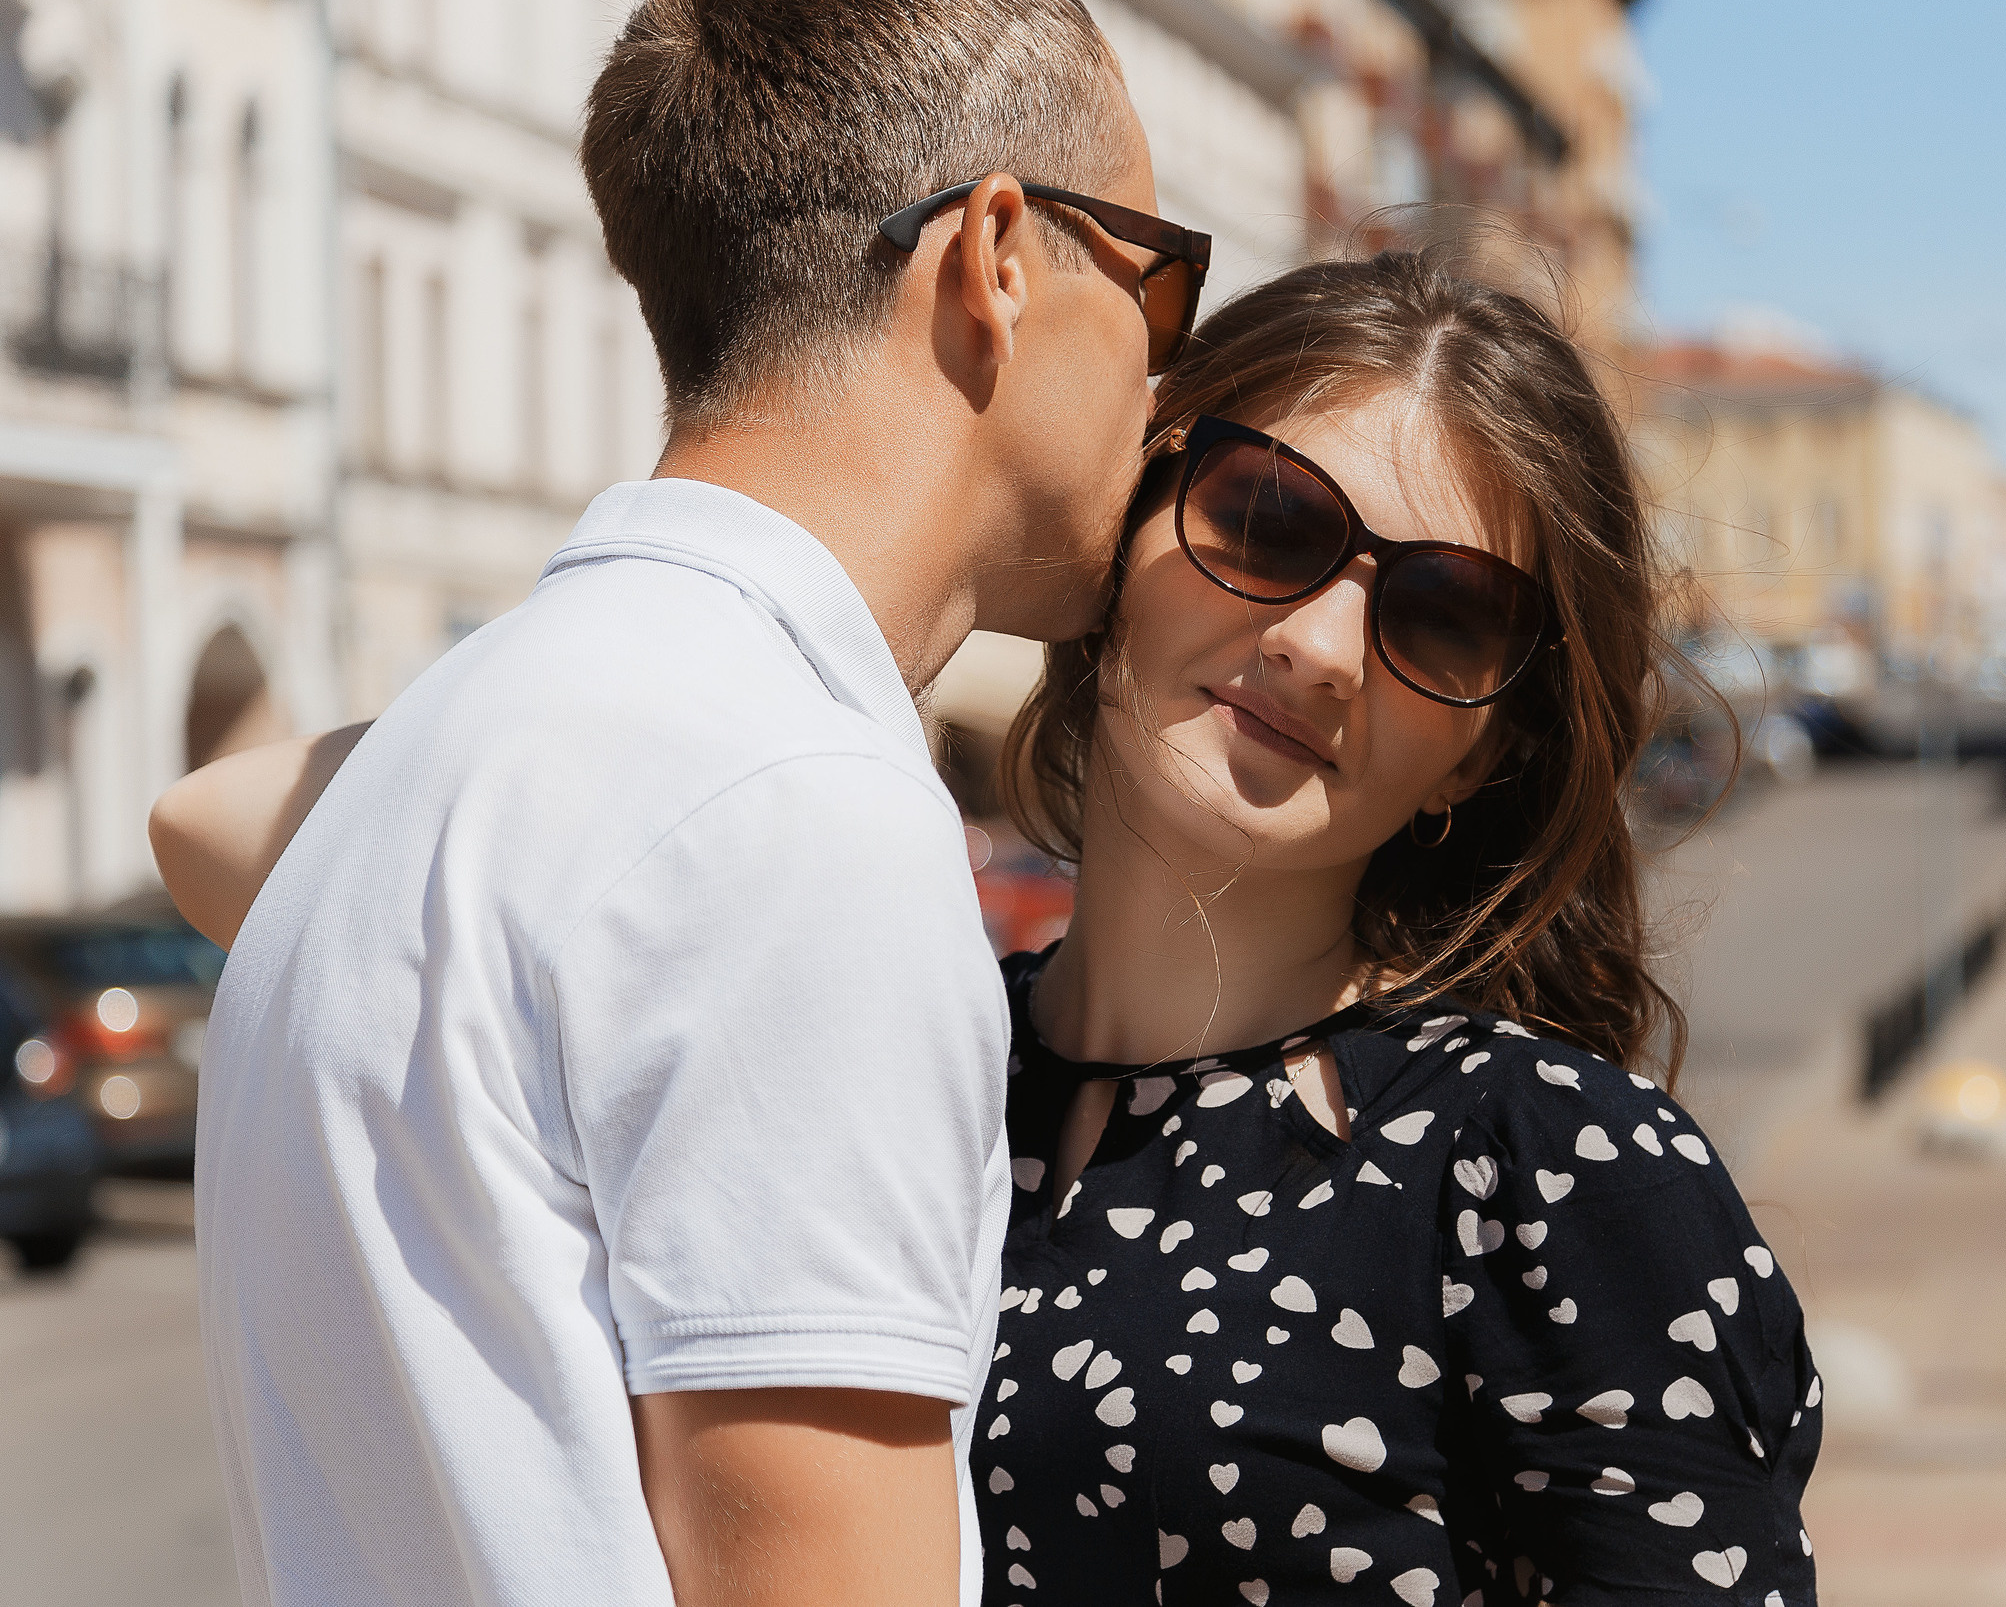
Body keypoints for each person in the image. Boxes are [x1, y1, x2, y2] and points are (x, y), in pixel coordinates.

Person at [162, 252, 1823, 1603]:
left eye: (1444, 616)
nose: (1324, 642)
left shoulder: (1549, 1169)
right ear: (1127, 529)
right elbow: (216, 826)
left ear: (1489, 746)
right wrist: (706, 692)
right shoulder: (888, 1029)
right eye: (1268, 521)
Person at [164, 0, 1215, 1607]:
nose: (1165, 373)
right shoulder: (794, 816)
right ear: (999, 257)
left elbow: (193, 825)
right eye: (1160, 275)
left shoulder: (469, 746)